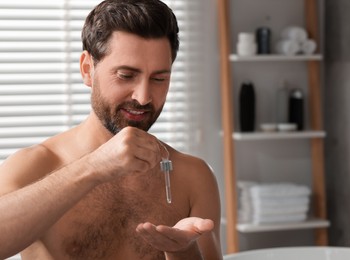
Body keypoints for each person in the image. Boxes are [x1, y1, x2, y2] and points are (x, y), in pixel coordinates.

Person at [0, 0, 222, 259]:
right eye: (126, 75)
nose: (143, 97)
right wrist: (94, 167)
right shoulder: (34, 166)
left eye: (159, 78)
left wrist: (184, 250)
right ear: (87, 69)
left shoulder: (193, 176)